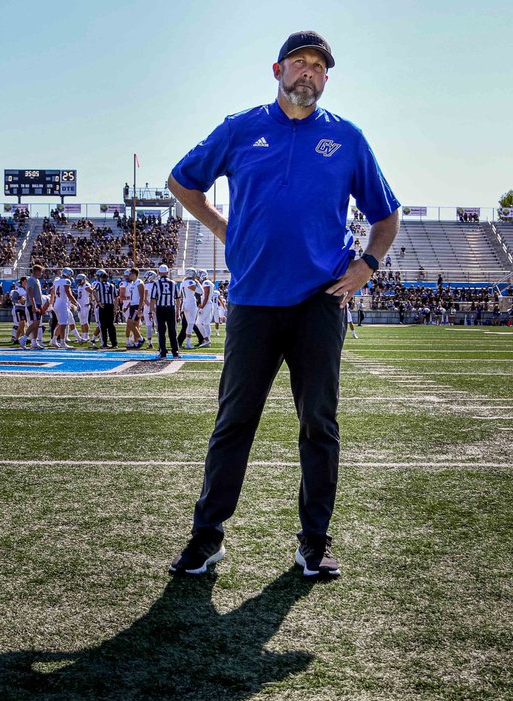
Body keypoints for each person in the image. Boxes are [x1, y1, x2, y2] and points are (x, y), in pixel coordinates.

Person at [166, 30, 400, 578]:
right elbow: (182, 182)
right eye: (300, 63)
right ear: (277, 70)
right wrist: (227, 231)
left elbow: (386, 216)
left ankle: (314, 543)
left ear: (326, 78)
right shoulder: (241, 128)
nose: (308, 74)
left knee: (319, 423)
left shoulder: (347, 139)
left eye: (319, 67)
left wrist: (366, 265)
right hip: (253, 300)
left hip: (319, 303)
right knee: (234, 422)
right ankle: (207, 538)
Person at [149, 264, 181, 359]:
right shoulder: (173, 283)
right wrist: (178, 311)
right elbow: (178, 298)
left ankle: (163, 352)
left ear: (159, 273)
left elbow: (153, 299)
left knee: (161, 331)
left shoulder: (156, 283)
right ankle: (175, 352)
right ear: (167, 273)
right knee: (172, 331)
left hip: (161, 309)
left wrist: (150, 311)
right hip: (170, 308)